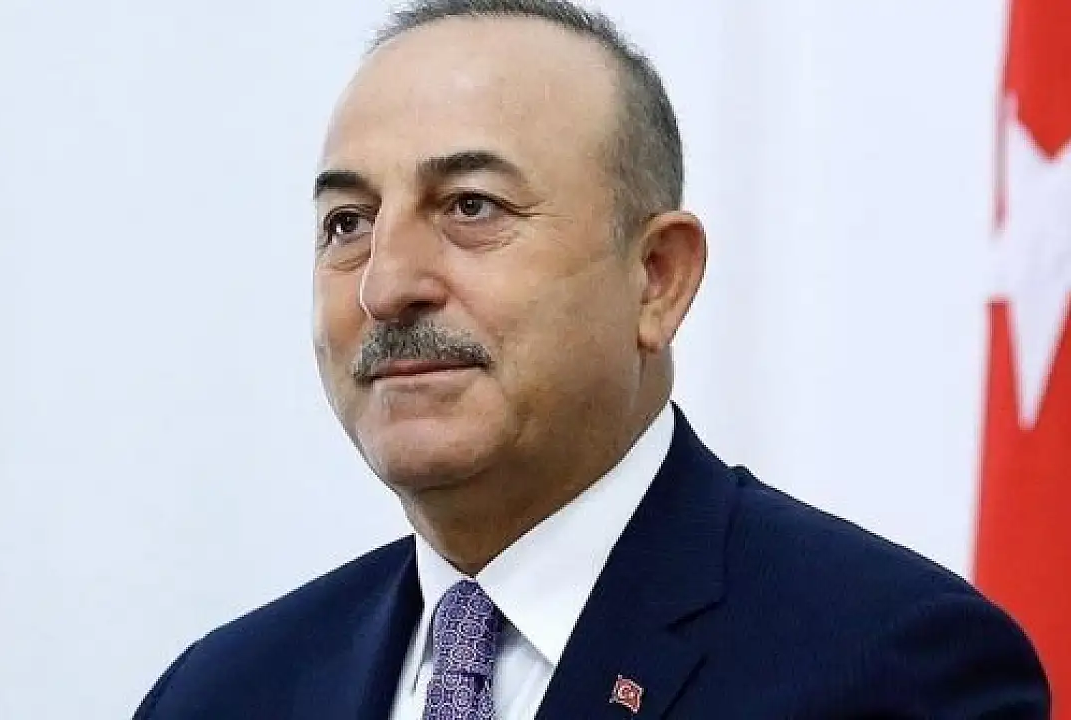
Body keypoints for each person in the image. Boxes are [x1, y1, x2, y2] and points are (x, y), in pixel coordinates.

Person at [133, 1, 1050, 717]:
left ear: (657, 278)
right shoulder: (221, 693)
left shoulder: (890, 671)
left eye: (471, 206)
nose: (386, 284)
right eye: (348, 223)